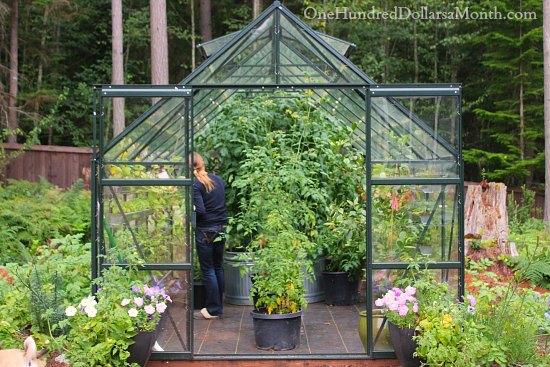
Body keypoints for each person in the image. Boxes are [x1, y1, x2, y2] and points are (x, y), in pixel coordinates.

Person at [192, 152, 227, 320]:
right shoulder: (217, 180)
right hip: (220, 229)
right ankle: (218, 306)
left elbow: (200, 210)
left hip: (205, 231)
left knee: (208, 269)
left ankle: (213, 309)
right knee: (218, 267)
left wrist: (190, 217)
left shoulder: (195, 184)